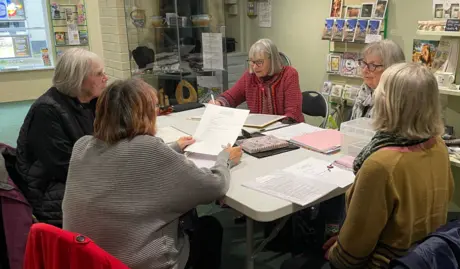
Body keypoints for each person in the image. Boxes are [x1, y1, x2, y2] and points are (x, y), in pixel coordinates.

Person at [283, 63, 454, 269]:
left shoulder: (381, 165)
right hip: (425, 256)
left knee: (293, 265)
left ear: (386, 103)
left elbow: (353, 251)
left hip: (386, 262)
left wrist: (339, 247)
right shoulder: (438, 146)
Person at [62, 78, 243, 269]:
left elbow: (125, 160)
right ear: (142, 114)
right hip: (137, 263)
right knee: (209, 228)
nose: (157, 112)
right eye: (154, 107)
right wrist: (226, 159)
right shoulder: (149, 149)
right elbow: (214, 186)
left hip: (86, 260)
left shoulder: (82, 146)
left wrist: (173, 147)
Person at [15, 48, 107, 227]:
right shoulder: (47, 111)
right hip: (53, 195)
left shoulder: (90, 101)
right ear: (78, 79)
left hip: (80, 181)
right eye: (99, 74)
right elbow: (65, 166)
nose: (106, 78)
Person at [210, 38, 304, 123]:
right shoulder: (250, 76)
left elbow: (292, 113)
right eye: (251, 61)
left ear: (272, 60)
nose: (254, 67)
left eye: (259, 62)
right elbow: (231, 97)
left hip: (288, 130)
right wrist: (219, 103)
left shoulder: (289, 74)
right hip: (260, 132)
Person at [351, 39, 405, 120]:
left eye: (373, 65)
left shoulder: (395, 99)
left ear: (391, 68)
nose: (365, 70)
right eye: (364, 63)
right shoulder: (365, 90)